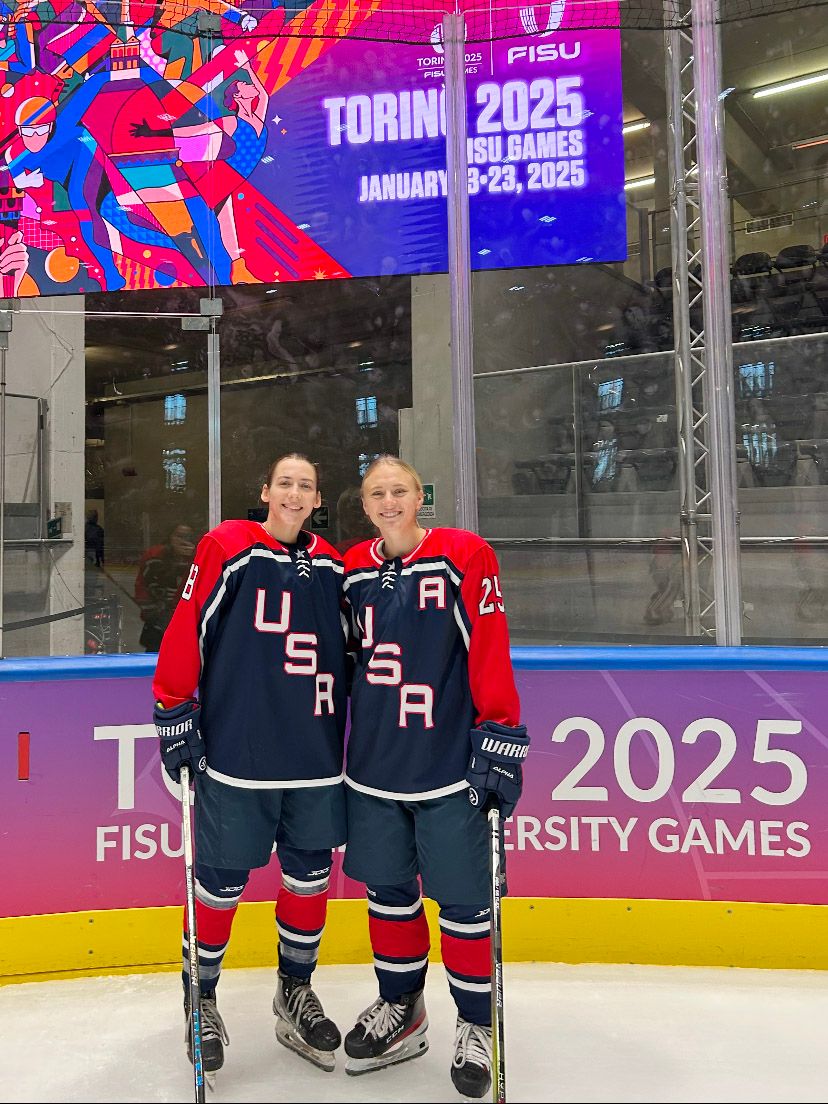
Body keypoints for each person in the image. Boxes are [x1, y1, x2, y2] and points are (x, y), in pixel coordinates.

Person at [152, 454, 349, 1081]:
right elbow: (188, 629)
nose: (294, 493)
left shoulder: (334, 566)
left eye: (305, 485)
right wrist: (175, 709)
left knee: (310, 877)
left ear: (318, 498)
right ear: (264, 490)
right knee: (220, 884)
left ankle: (294, 991)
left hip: (316, 758)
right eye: (283, 482)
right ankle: (201, 999)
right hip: (239, 756)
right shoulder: (227, 547)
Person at [340, 456, 529, 1099]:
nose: (389, 501)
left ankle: (476, 1025)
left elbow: (489, 645)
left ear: (421, 497)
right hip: (372, 768)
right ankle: (404, 1009)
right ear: (364, 506)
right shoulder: (352, 569)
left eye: (400, 491)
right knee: (389, 896)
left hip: (447, 765)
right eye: (376, 493)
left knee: (465, 904)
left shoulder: (464, 555)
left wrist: (499, 734)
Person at [135, 524, 196, 651]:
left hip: (189, 624)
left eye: (188, 537)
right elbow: (143, 588)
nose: (183, 541)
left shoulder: (199, 556)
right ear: (170, 536)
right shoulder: (155, 556)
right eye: (179, 536)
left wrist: (193, 557)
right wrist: (154, 615)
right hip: (158, 625)